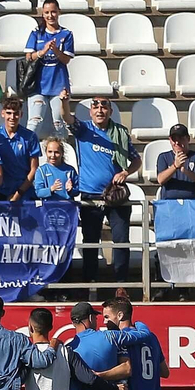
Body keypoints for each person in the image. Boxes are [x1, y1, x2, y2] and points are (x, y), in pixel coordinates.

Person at [65, 92, 140, 288]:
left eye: (104, 107)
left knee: (121, 240)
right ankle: (91, 284)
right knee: (91, 241)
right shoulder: (83, 130)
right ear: (90, 111)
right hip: (91, 196)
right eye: (96, 107)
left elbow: (137, 160)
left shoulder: (120, 133)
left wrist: (125, 172)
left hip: (116, 195)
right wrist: (65, 102)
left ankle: (121, 285)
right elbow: (66, 117)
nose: (100, 110)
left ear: (110, 111)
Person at [23, 0, 74, 138]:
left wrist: (56, 51)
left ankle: (64, 154)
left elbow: (66, 60)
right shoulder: (36, 33)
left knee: (60, 123)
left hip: (59, 85)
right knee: (34, 122)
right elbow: (28, 57)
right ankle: (27, 154)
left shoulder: (66, 34)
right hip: (38, 85)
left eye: (53, 12)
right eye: (47, 12)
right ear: (42, 14)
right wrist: (42, 52)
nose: (50, 15)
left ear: (59, 12)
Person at [0, 97, 42, 202]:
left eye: (16, 113)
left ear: (21, 114)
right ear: (3, 113)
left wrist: (18, 193)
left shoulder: (30, 137)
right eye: (9, 113)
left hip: (23, 191)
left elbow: (34, 169)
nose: (12, 117)